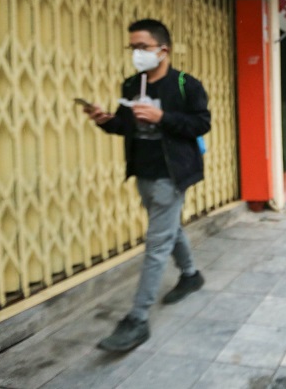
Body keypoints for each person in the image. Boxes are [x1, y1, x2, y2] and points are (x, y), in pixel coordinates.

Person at [84, 19, 210, 352]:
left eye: (142, 47)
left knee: (156, 242)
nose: (136, 54)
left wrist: (162, 118)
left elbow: (202, 123)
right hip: (143, 172)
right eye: (133, 48)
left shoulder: (185, 84)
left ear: (162, 50)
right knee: (169, 229)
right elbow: (125, 126)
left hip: (173, 173)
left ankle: (137, 319)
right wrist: (105, 121)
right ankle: (191, 275)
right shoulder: (132, 84)